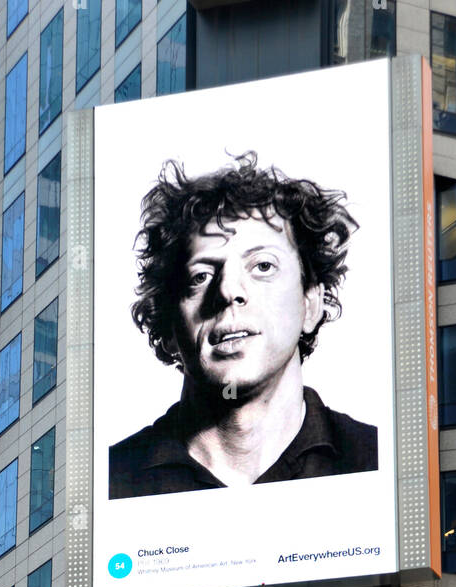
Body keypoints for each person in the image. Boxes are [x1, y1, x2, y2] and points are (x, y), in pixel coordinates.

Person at [109, 152, 378, 498]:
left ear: (310, 305)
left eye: (263, 266)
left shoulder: (374, 460)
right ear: (170, 327)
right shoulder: (112, 481)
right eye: (200, 276)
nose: (228, 291)